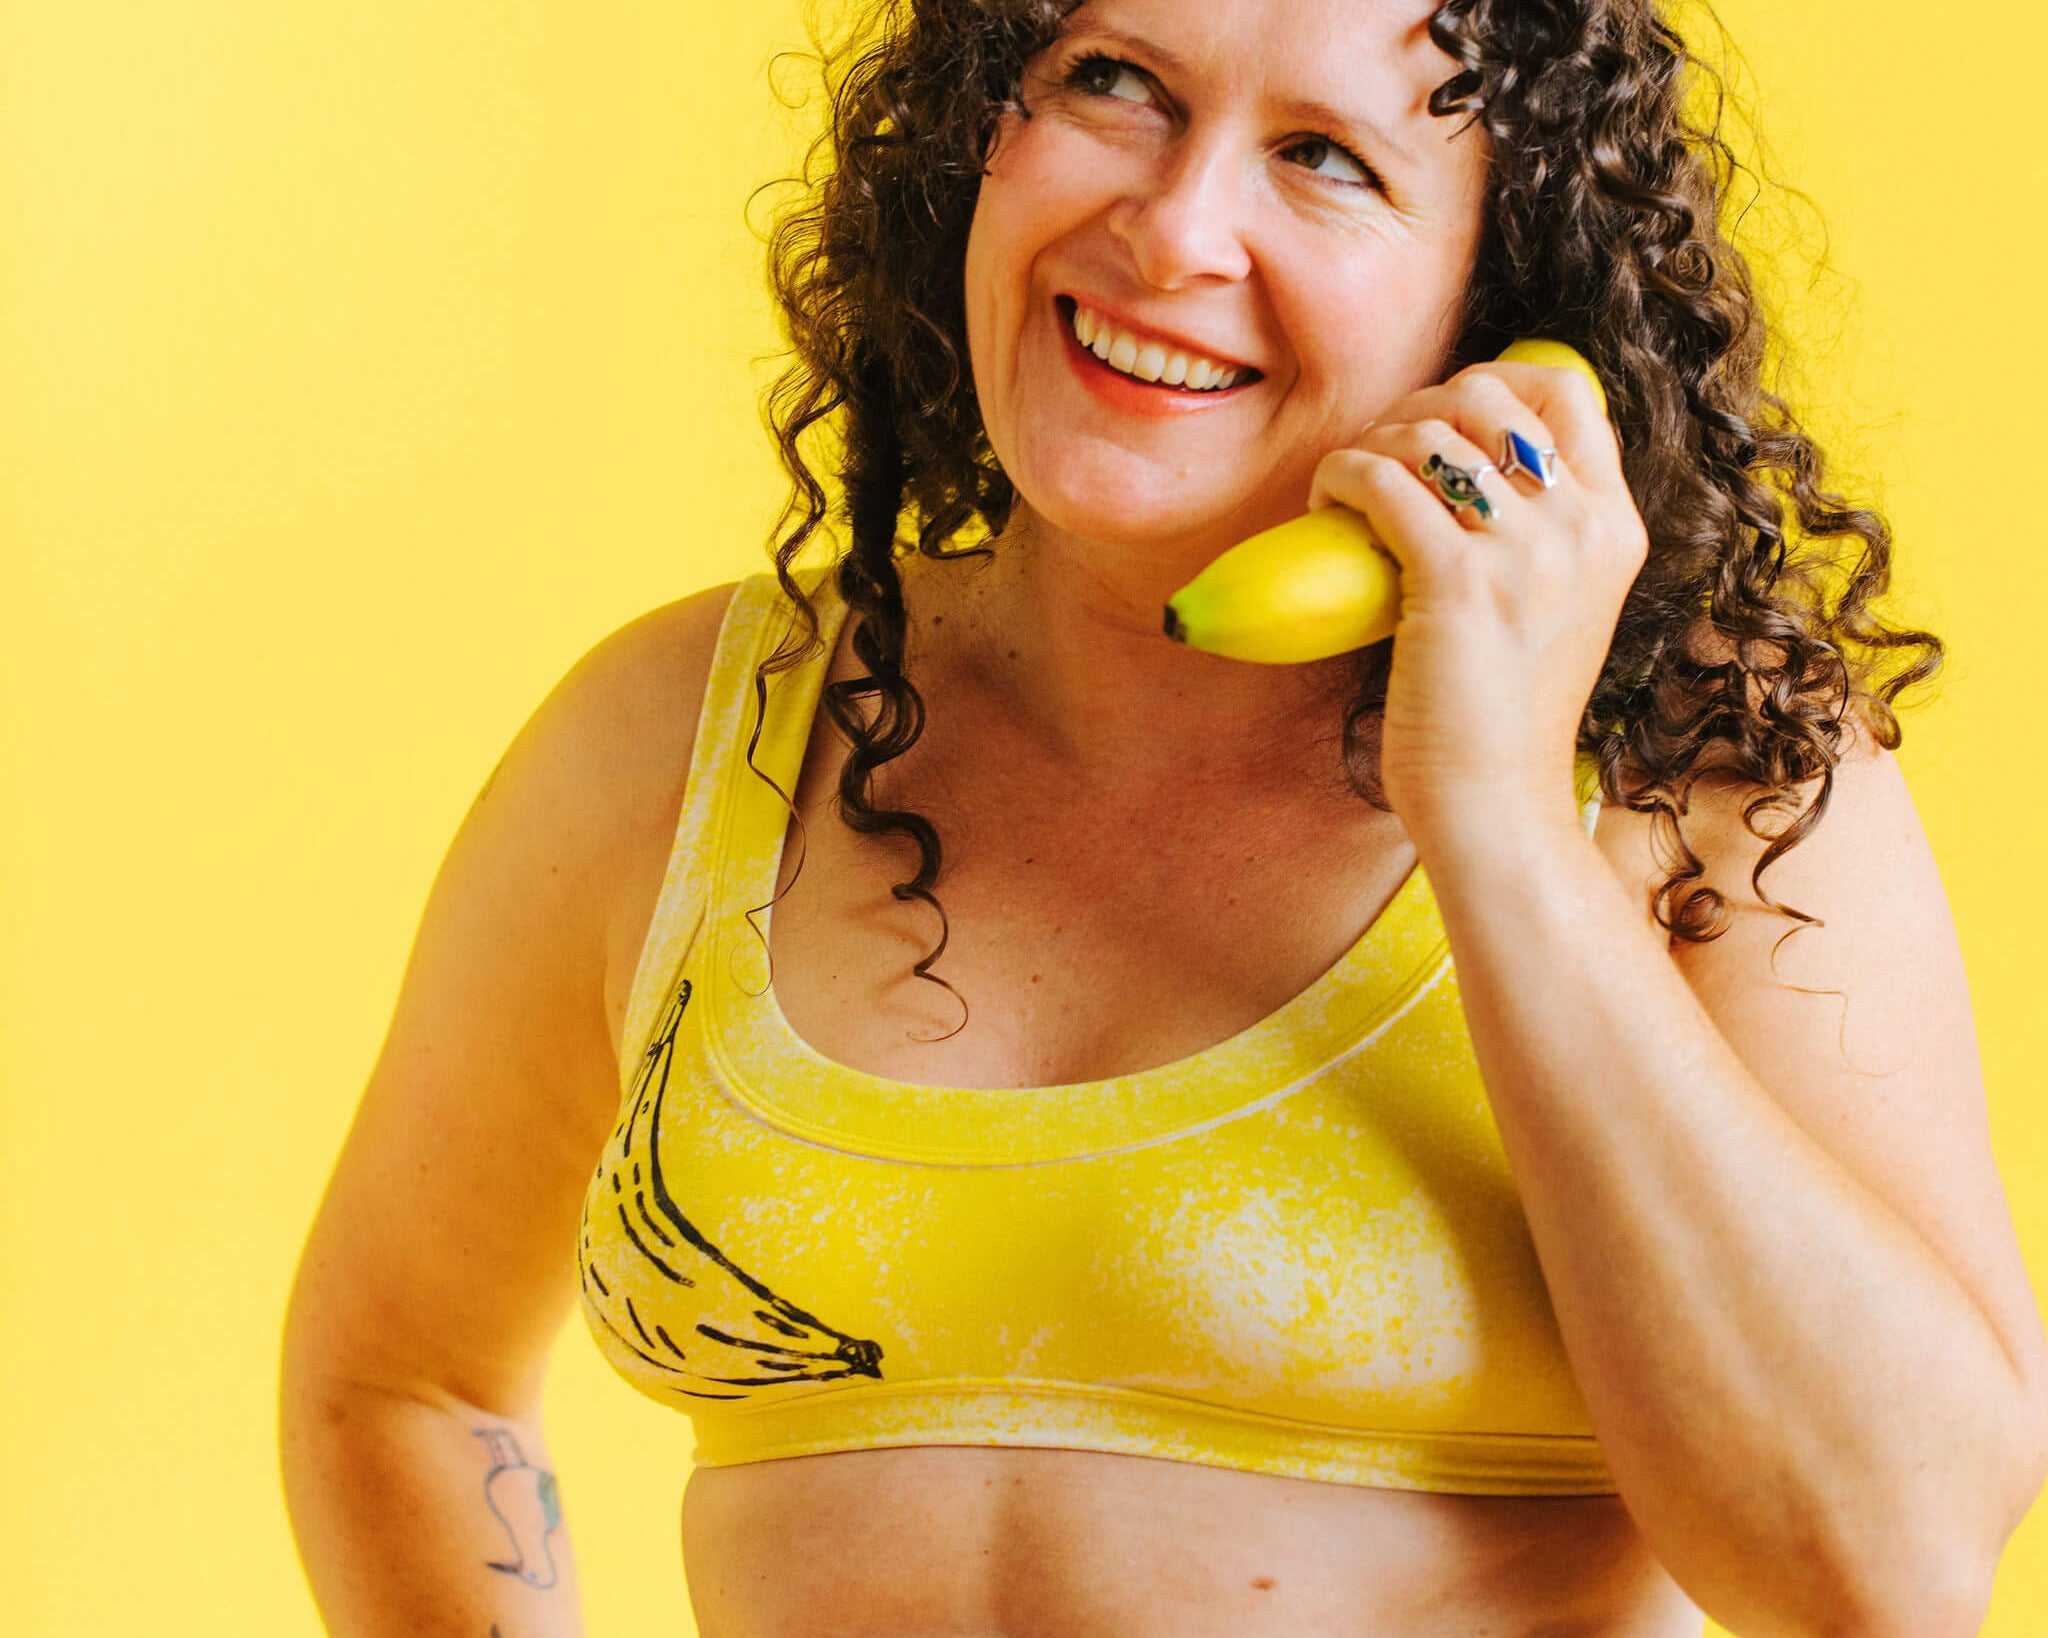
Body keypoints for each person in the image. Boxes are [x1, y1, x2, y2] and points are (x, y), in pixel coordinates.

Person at [279, 0, 2048, 1633]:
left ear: (1493, 301)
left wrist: (1498, 815)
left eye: (1328, 158)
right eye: (1114, 80)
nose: (1178, 230)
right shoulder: (686, 736)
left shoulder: (1701, 774)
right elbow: (400, 1381)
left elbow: (1883, 1568)